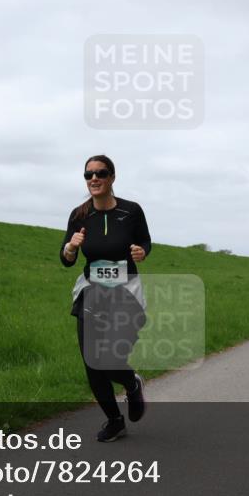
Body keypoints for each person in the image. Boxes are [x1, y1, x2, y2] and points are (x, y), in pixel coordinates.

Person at [60, 155, 151, 442]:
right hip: (92, 290)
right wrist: (72, 248)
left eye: (100, 173)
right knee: (91, 359)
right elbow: (65, 258)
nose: (94, 179)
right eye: (88, 175)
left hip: (125, 291)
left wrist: (142, 252)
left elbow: (145, 240)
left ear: (112, 177)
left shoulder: (131, 211)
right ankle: (114, 421)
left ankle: (130, 383)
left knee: (110, 357)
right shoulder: (79, 215)